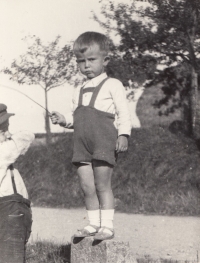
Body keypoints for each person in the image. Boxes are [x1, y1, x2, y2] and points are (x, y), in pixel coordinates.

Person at [50, 32, 131, 241]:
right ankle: (93, 224)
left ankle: (108, 226)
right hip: (81, 144)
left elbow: (123, 113)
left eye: (91, 60)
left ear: (105, 60)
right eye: (80, 61)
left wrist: (123, 135)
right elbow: (76, 118)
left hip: (103, 141)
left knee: (102, 184)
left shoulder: (113, 84)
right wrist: (63, 119)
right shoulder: (78, 89)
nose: (86, 65)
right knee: (86, 186)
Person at [0, 103, 34, 263]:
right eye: (2, 130)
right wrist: (10, 137)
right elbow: (27, 136)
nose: (7, 134)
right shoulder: (3, 151)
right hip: (9, 211)